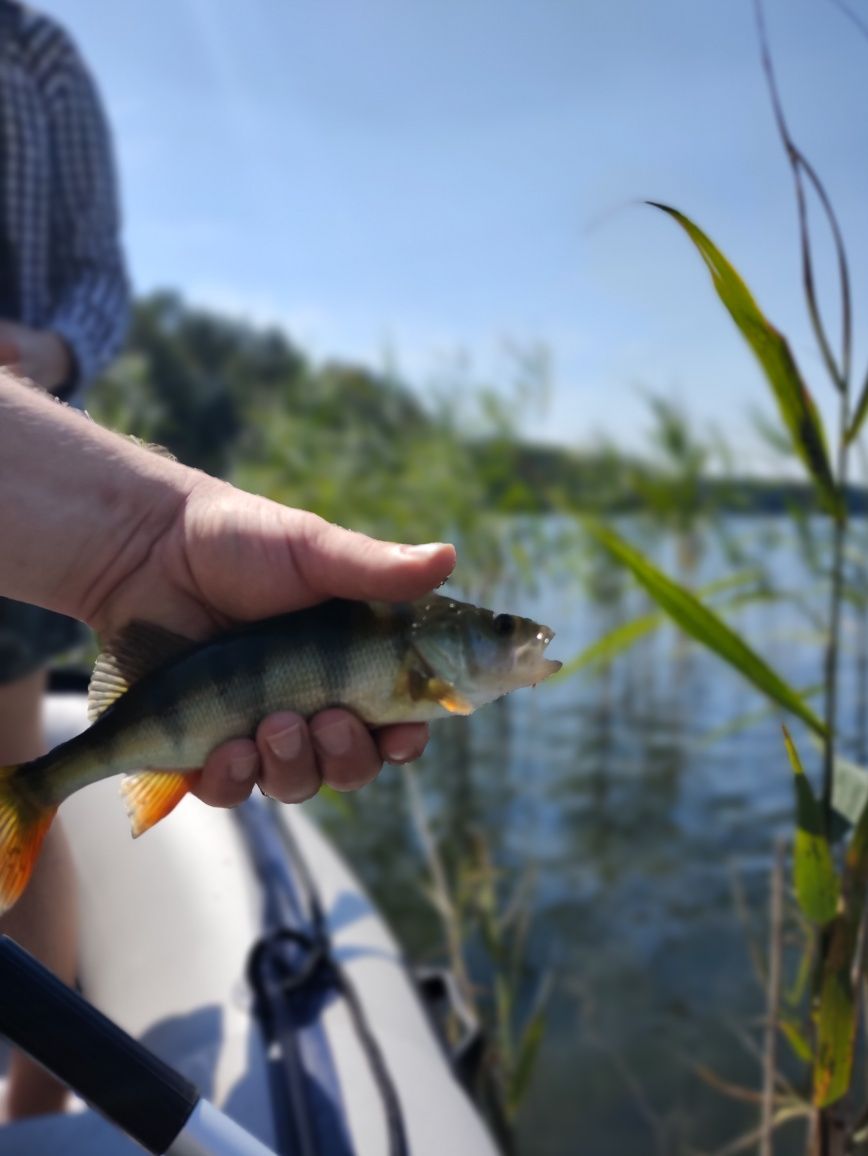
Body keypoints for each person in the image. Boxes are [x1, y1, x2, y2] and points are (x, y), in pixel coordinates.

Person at [0, 375, 456, 1117]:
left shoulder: (423, 669)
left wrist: (153, 535)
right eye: (500, 629)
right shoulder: (414, 659)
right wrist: (148, 535)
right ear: (448, 642)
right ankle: (30, 789)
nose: (520, 639)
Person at [0, 2, 131, 1117]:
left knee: (9, 773)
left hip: (16, 479)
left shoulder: (37, 56)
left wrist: (51, 349)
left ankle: (37, 1098)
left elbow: (101, 273)